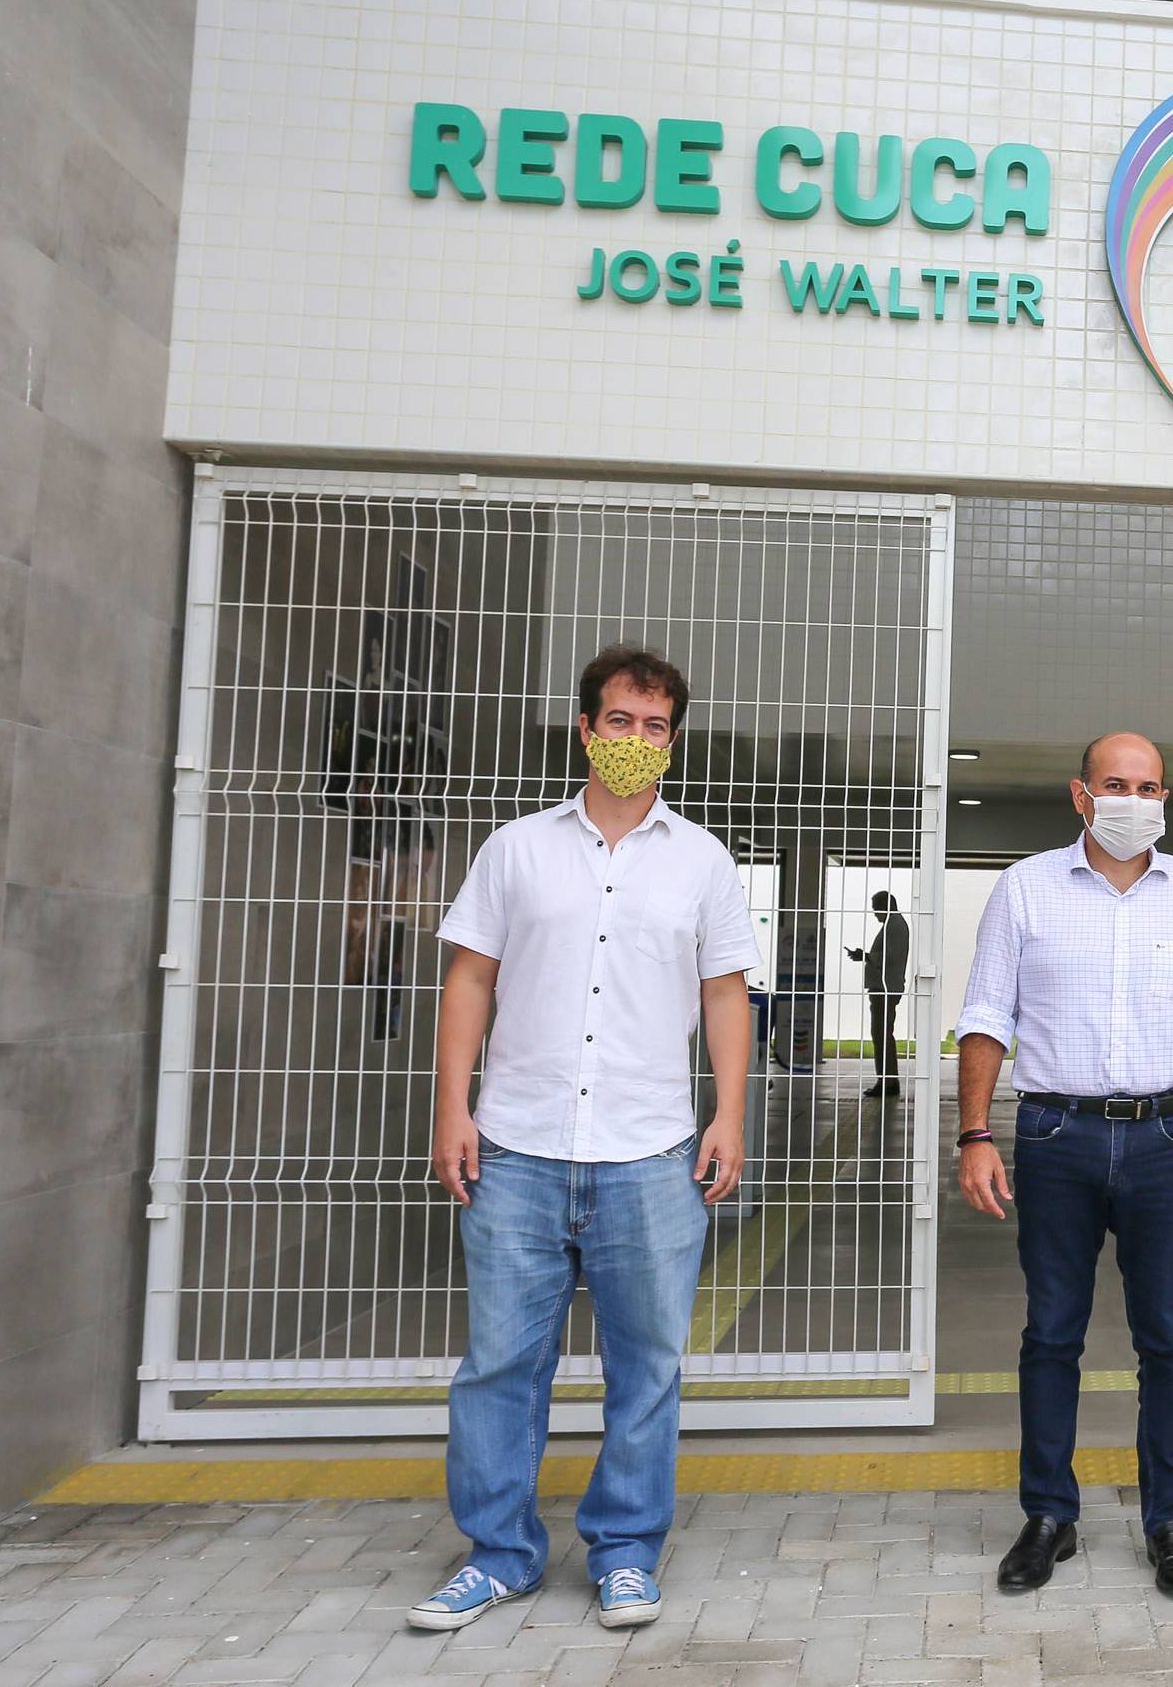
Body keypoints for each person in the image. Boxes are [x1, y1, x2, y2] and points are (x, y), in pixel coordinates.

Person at [409, 645, 759, 1633]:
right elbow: (469, 979)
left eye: (656, 729)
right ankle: (500, 1553)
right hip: (517, 1144)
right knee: (498, 1365)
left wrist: (728, 1113)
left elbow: (724, 993)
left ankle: (625, 1550)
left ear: (673, 743)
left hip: (650, 1152)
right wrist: (452, 1106)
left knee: (646, 1363)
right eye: (621, 722)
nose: (637, 742)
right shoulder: (516, 849)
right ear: (585, 729)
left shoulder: (703, 861)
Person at [953, 733, 1173, 1599]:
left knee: (1168, 1335)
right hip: (1058, 1137)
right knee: (1052, 1333)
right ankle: (1049, 1515)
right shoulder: (1026, 889)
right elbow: (986, 1012)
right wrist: (975, 1134)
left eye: (1150, 786)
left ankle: (1170, 1521)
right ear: (1081, 796)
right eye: (1117, 784)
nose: (1135, 799)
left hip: (1168, 1139)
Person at [847, 891, 913, 1097]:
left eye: (876, 908)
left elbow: (891, 957)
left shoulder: (894, 926)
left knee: (881, 1034)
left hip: (885, 988)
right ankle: (886, 1079)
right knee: (882, 1034)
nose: (875, 913)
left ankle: (887, 1081)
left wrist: (865, 956)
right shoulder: (893, 925)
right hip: (884, 987)